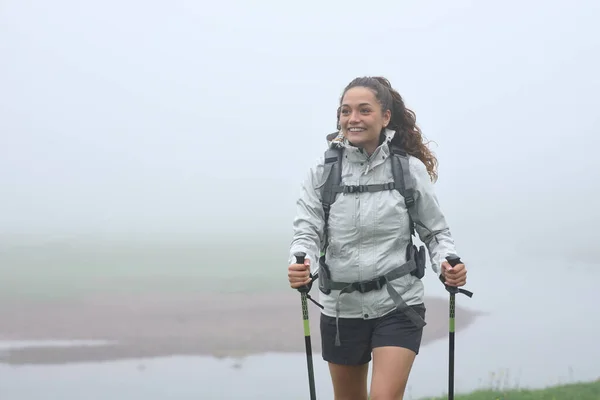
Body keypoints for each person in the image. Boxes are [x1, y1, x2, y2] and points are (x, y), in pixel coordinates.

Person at [287, 76, 468, 400]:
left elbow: (435, 232)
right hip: (341, 308)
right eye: (345, 111)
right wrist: (301, 262)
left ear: (385, 117)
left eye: (363, 110)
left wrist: (448, 264)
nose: (352, 118)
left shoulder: (408, 169)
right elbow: (308, 230)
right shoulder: (323, 170)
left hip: (398, 305)